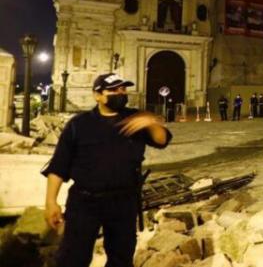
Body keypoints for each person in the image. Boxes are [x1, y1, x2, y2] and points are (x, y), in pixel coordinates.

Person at [42, 73, 171, 267]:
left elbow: (162, 140)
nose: (120, 92)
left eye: (123, 89)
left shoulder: (135, 118)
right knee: (73, 258)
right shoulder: (79, 124)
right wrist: (51, 202)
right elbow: (59, 164)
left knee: (121, 258)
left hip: (123, 202)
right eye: (113, 89)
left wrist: (150, 122)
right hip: (84, 203)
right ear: (98, 95)